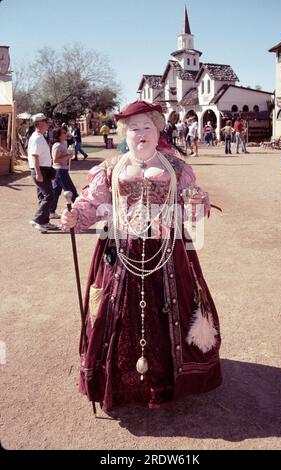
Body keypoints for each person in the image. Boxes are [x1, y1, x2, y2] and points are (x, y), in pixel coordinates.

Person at [61, 100, 221, 412]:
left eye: (146, 127)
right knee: (115, 312)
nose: (140, 133)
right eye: (133, 128)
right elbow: (92, 203)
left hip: (168, 253)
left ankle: (170, 380)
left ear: (157, 129)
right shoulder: (111, 168)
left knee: (171, 311)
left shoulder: (176, 168)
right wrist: (74, 216)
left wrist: (196, 202)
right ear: (125, 133)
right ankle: (116, 382)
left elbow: (193, 208)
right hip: (123, 251)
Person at [28, 113, 59, 233]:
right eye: (45, 122)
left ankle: (44, 222)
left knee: (43, 197)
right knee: (49, 195)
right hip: (40, 170)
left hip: (42, 170)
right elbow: (35, 156)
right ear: (39, 124)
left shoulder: (39, 136)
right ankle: (38, 220)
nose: (48, 124)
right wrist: (38, 173)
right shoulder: (37, 137)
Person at [49, 127, 78, 219]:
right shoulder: (57, 145)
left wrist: (68, 155)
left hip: (62, 170)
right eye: (64, 133)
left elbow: (64, 157)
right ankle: (81, 210)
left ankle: (51, 211)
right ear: (59, 135)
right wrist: (68, 156)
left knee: (56, 192)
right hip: (59, 171)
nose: (66, 134)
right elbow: (56, 160)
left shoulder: (64, 143)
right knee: (71, 190)